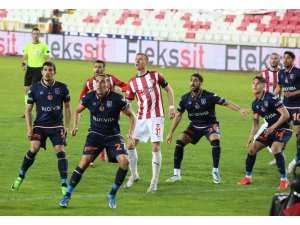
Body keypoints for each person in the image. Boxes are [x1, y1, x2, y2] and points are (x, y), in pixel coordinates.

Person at [59, 74, 136, 209]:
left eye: (102, 82)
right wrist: (75, 126)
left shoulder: (117, 98)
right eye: (97, 82)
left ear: (108, 85)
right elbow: (77, 111)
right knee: (84, 162)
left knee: (125, 162)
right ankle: (67, 196)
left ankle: (112, 194)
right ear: (94, 84)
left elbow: (132, 115)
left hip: (113, 136)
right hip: (95, 135)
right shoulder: (89, 97)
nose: (99, 85)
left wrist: (130, 134)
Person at [165, 73, 250, 183]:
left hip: (210, 124)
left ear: (200, 83)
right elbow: (179, 115)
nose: (192, 83)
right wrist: (171, 132)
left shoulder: (209, 96)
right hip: (195, 125)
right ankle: (176, 175)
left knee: (215, 140)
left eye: (195, 80)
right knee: (179, 142)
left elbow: (226, 103)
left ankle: (215, 171)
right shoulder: (185, 98)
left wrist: (239, 109)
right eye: (191, 80)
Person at [11, 62, 71, 195]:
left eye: (50, 70)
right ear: (42, 72)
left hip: (56, 126)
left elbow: (67, 107)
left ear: (55, 72)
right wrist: (29, 128)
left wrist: (66, 126)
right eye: (45, 70)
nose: (47, 72)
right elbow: (28, 110)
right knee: (34, 148)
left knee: (60, 150)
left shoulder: (62, 87)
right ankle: (20, 176)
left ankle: (64, 184)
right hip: (40, 126)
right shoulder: (35, 88)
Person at [124, 52, 175, 193]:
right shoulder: (132, 82)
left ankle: (154, 181)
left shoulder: (156, 75)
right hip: (140, 117)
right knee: (130, 144)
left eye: (140, 59)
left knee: (155, 147)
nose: (137, 62)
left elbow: (169, 89)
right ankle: (134, 174)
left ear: (146, 62)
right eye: (136, 59)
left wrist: (171, 107)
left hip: (156, 116)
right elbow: (127, 102)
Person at [237, 76, 292, 190]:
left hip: (284, 128)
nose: (255, 85)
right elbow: (255, 122)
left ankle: (284, 180)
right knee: (252, 149)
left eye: (257, 83)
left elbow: (286, 115)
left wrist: (273, 127)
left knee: (276, 148)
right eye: (253, 83)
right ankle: (248, 178)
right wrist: (251, 136)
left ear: (264, 86)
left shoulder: (272, 98)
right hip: (270, 129)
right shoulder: (255, 103)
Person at [79, 60, 128, 165]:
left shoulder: (111, 79)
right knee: (95, 131)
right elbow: (83, 93)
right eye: (95, 67)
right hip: (96, 110)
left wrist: (120, 89)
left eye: (100, 67)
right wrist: (81, 106)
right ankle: (93, 154)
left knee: (111, 131)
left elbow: (127, 86)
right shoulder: (89, 81)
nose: (97, 69)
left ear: (104, 69)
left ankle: (117, 151)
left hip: (113, 110)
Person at [255, 52, 282, 166]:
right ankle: (278, 154)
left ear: (279, 60)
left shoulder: (282, 73)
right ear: (269, 60)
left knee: (260, 135)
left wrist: (272, 99)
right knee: (272, 132)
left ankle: (279, 156)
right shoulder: (263, 74)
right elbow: (256, 88)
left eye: (276, 58)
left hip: (277, 107)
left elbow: (281, 87)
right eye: (272, 58)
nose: (274, 60)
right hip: (265, 106)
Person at [274, 51, 300, 173]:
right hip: (286, 107)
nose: (285, 60)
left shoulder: (298, 72)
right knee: (280, 131)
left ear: (293, 60)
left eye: (288, 58)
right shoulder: (281, 73)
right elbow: (279, 87)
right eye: (284, 58)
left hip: (297, 107)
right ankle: (279, 155)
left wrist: (294, 93)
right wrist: (271, 96)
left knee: (298, 134)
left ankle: (296, 160)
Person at [21, 28, 50, 118]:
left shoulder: (44, 46)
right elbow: (24, 57)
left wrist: (48, 69)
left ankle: (39, 110)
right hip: (29, 70)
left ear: (39, 35)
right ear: (31, 34)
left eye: (37, 34)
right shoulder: (28, 46)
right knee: (26, 89)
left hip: (38, 70)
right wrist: (23, 64)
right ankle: (27, 111)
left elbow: (47, 58)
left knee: (35, 91)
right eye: (34, 34)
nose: (35, 35)